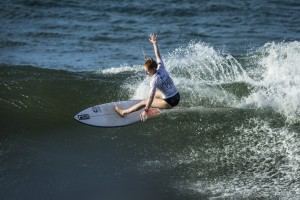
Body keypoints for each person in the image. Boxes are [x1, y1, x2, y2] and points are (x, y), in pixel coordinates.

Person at [115, 33, 180, 121]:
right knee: (156, 93)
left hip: (170, 102)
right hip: (176, 96)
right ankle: (157, 107)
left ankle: (124, 112)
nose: (146, 73)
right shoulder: (161, 66)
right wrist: (154, 43)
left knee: (144, 101)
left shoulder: (154, 80)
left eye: (147, 71)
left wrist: (145, 110)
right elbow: (158, 55)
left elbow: (150, 97)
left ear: (153, 68)